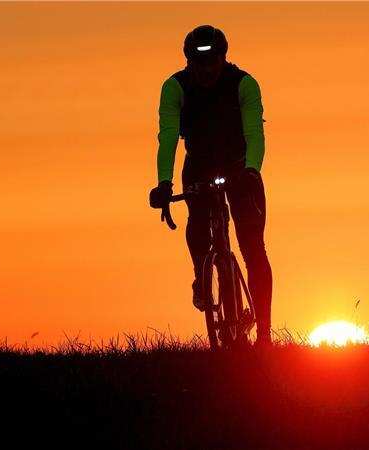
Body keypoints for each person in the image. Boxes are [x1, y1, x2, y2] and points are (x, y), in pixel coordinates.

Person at [149, 25, 273, 348]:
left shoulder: (244, 84)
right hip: (199, 165)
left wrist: (251, 172)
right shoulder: (174, 88)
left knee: (252, 248)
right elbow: (167, 137)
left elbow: (255, 136)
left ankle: (264, 335)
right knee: (198, 223)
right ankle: (202, 278)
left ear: (223, 58)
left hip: (240, 167)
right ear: (188, 63)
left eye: (212, 62)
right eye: (197, 64)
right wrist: (164, 182)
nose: (205, 70)